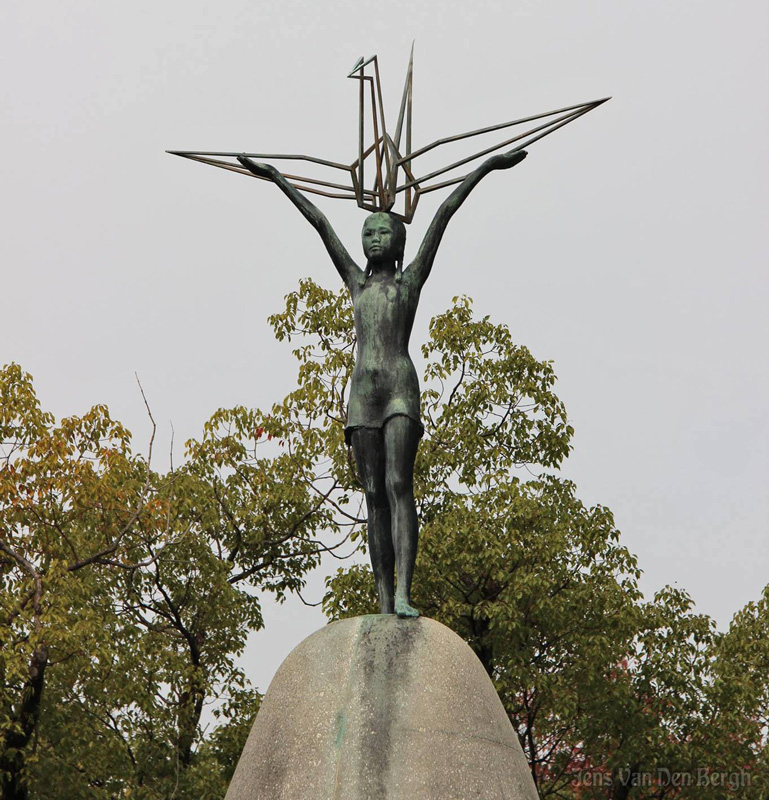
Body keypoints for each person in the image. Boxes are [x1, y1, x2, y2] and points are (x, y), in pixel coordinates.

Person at [237, 148, 527, 617]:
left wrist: (486, 167)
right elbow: (320, 224)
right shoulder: (356, 283)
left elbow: (445, 213)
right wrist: (275, 177)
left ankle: (406, 593)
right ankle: (384, 599)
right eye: (368, 233)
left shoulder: (409, 283)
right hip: (361, 397)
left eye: (383, 232)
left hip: (398, 388)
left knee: (398, 484)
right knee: (373, 495)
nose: (373, 239)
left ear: (399, 243)